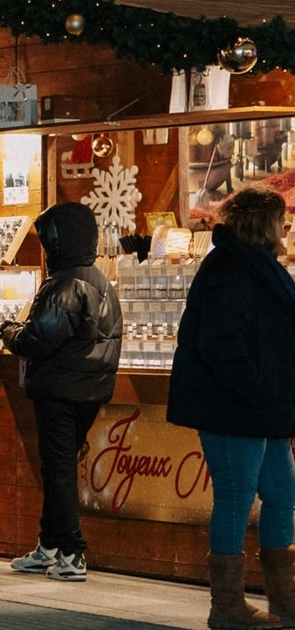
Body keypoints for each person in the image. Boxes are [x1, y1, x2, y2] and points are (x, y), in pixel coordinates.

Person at [167, 186, 295, 628]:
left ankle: (285, 595)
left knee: (283, 494)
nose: (286, 229)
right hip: (233, 408)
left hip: (265, 410)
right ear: (264, 224)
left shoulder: (258, 266)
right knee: (236, 498)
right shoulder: (228, 270)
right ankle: (226, 605)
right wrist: (260, 389)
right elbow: (223, 347)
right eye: (282, 220)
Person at [0, 201, 122, 583]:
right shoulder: (101, 281)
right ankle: (50, 545)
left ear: (60, 240)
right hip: (91, 387)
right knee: (61, 467)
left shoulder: (64, 283)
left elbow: (38, 338)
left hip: (59, 388)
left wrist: (8, 331)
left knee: (58, 470)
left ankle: (71, 551)